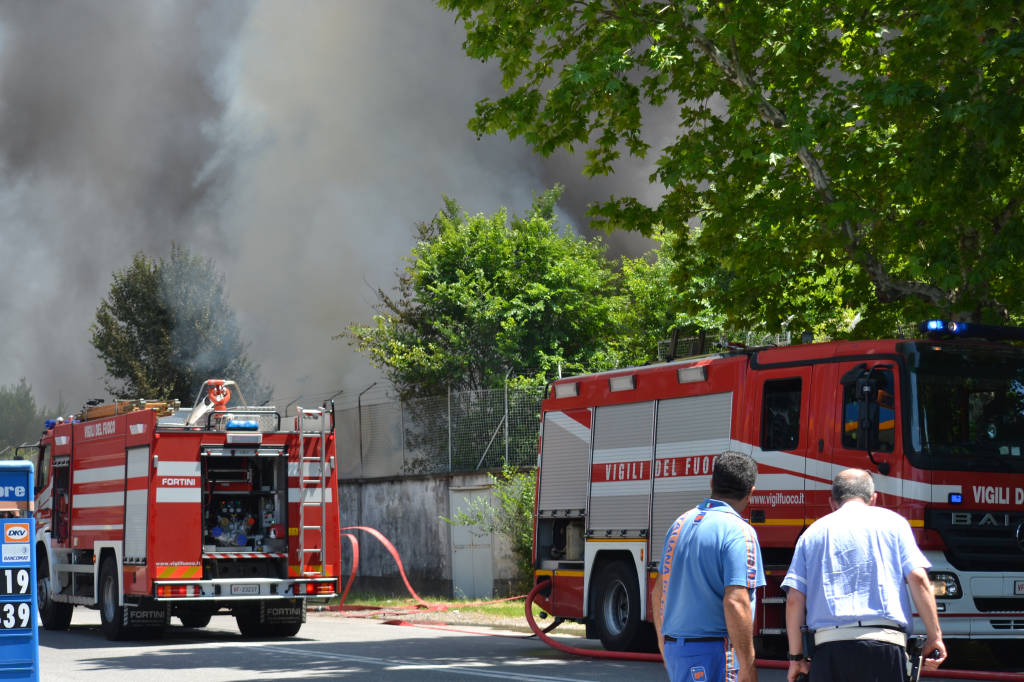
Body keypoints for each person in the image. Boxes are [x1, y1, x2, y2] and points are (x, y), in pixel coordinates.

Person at [782, 469, 947, 682]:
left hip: (829, 650)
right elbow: (918, 579)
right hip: (885, 648)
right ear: (874, 498)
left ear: (832, 502)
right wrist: (935, 636)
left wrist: (796, 658)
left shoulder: (811, 534)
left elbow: (794, 600)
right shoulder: (895, 524)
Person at [652, 450, 765, 682]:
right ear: (751, 492)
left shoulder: (679, 524)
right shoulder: (739, 532)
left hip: (677, 649)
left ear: (712, 483)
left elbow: (658, 592)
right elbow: (736, 600)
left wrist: (664, 645)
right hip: (716, 652)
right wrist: (747, 667)